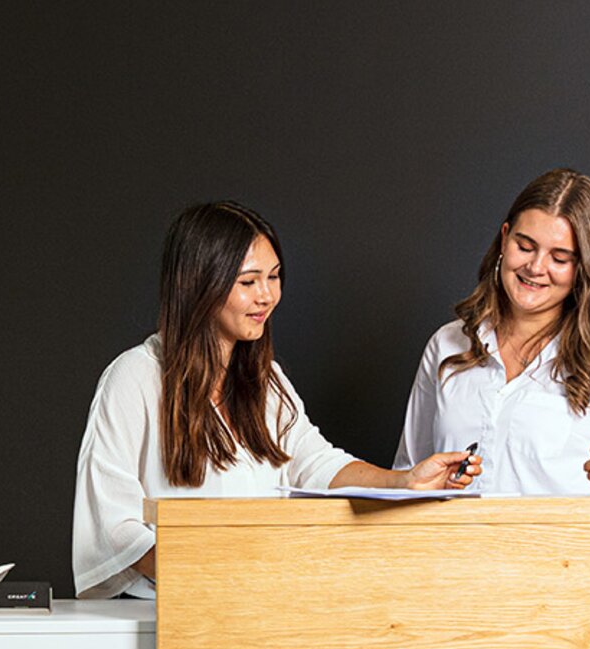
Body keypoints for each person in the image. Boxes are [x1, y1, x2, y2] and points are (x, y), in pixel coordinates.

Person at [74, 201, 476, 599]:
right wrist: (205, 575)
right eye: (248, 282)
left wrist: (405, 481)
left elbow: (316, 463)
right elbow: (114, 523)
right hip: (166, 609)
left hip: (259, 601)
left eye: (274, 276)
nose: (266, 296)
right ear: (199, 284)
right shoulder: (135, 377)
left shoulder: (266, 380)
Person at [393, 168, 590, 496]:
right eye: (525, 246)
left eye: (560, 258)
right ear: (504, 238)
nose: (536, 267)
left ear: (585, 266)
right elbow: (408, 476)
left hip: (568, 534)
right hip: (454, 533)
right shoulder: (447, 344)